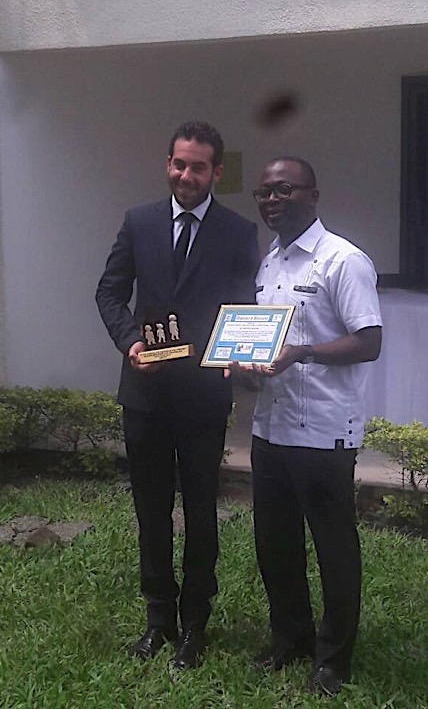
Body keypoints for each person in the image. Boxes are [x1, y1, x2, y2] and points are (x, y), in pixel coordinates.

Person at [96, 121, 260, 670]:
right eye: (179, 164)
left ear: (217, 172)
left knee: (201, 509)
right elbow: (109, 292)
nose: (186, 175)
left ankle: (195, 625)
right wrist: (129, 341)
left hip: (203, 396)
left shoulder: (238, 232)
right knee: (150, 509)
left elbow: (245, 304)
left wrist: (235, 352)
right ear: (168, 164)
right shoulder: (138, 222)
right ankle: (158, 620)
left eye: (198, 167)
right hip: (144, 395)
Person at [231, 157, 382, 697]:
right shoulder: (269, 264)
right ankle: (289, 639)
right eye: (264, 193)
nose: (272, 200)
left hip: (322, 430)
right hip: (271, 428)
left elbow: (369, 341)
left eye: (284, 190)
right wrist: (246, 369)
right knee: (275, 544)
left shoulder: (343, 260)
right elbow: (264, 344)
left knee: (333, 546)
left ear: (312, 195)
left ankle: (334, 658)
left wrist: (302, 353)